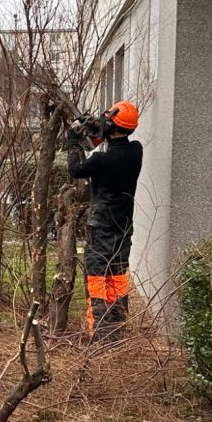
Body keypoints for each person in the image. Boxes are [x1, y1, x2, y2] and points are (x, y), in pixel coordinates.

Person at [66, 100, 143, 340]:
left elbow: (76, 170)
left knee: (97, 277)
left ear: (111, 124)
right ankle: (117, 328)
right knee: (118, 275)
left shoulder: (101, 161)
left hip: (101, 228)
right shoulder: (136, 150)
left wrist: (72, 141)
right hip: (124, 227)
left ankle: (99, 333)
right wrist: (99, 131)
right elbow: (114, 144)